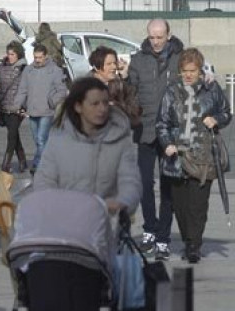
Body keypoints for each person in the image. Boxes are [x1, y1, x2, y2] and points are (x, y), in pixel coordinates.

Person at [157, 48, 232, 263]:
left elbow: (227, 112)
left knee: (198, 205)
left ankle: (194, 246)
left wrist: (216, 119)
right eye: (184, 71)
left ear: (200, 70)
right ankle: (188, 238)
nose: (189, 75)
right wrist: (167, 143)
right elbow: (161, 123)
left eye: (193, 70)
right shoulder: (171, 92)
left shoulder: (212, 89)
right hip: (178, 158)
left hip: (203, 157)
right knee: (180, 207)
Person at [35, 76, 141, 217]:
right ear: (78, 106)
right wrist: (53, 205)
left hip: (106, 223)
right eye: (95, 104)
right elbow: (44, 180)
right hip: (65, 223)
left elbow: (130, 180)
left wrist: (123, 202)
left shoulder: (120, 139)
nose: (102, 109)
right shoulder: (58, 140)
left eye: (105, 102)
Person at [127, 18, 184, 256]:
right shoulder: (138, 60)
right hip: (145, 129)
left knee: (168, 184)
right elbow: (130, 91)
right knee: (144, 183)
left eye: (160, 37)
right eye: (152, 37)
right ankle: (149, 228)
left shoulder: (180, 59)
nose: (156, 41)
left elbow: (195, 80)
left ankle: (163, 236)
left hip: (170, 132)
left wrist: (208, 79)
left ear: (169, 35)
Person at [13, 44, 68, 173]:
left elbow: (61, 90)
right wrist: (17, 105)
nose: (37, 60)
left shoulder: (54, 70)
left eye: (40, 57)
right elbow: (22, 89)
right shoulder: (28, 70)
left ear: (46, 56)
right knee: (38, 140)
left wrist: (52, 102)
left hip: (47, 111)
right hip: (32, 110)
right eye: (35, 57)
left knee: (41, 139)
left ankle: (38, 165)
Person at [0, 41, 29, 173]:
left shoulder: (24, 69)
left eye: (12, 54)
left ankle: (6, 164)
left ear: (18, 55)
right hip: (4, 106)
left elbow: (28, 89)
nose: (10, 56)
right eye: (8, 54)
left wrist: (24, 106)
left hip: (17, 109)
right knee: (14, 133)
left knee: (11, 135)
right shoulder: (2, 67)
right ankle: (22, 160)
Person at [88, 46, 142, 140]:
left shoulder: (119, 83)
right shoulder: (85, 88)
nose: (114, 67)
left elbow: (134, 108)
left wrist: (125, 77)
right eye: (109, 64)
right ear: (97, 67)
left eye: (114, 63)